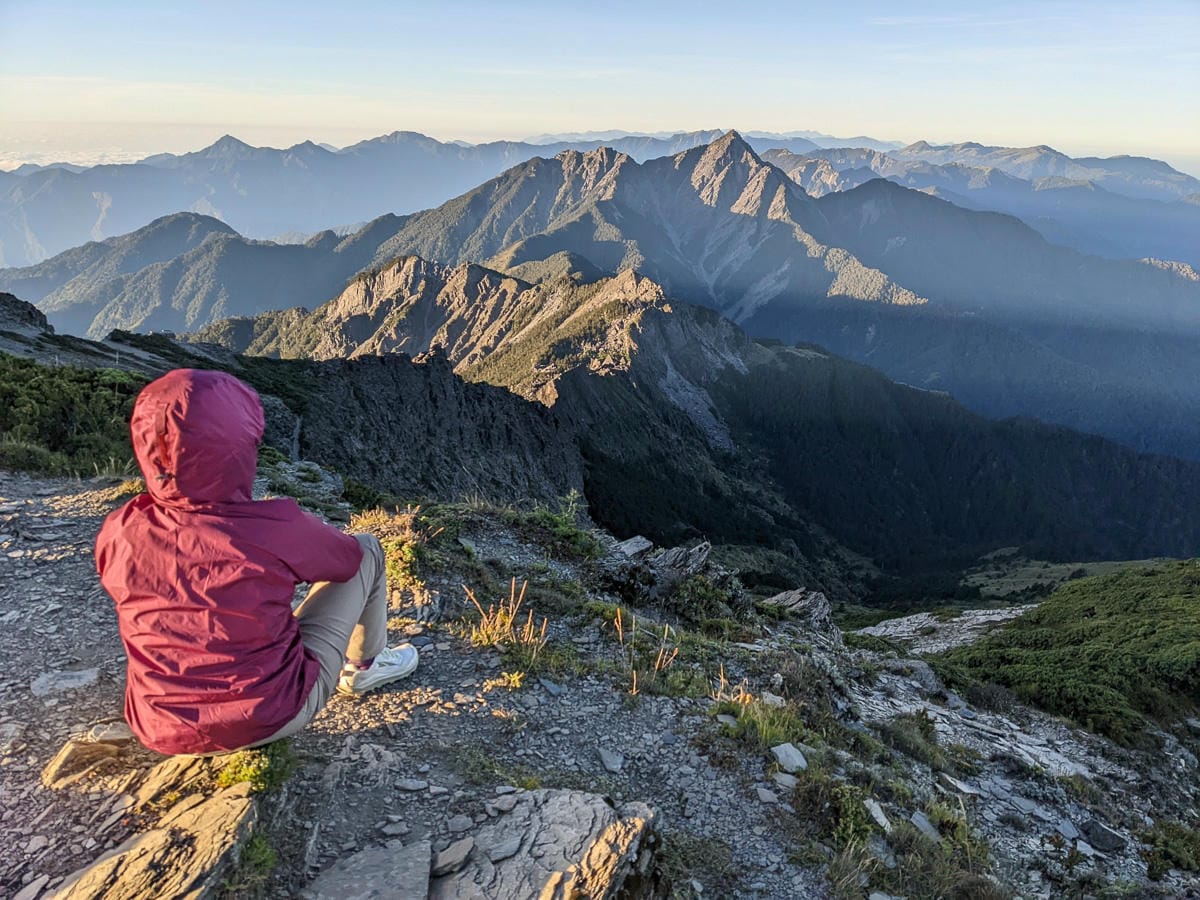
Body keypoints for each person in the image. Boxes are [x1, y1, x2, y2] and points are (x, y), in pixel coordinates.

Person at [95, 368, 418, 756]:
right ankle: (364, 668)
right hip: (269, 714)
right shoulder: (275, 527)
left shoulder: (120, 529)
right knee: (368, 550)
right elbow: (347, 559)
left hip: (158, 726)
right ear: (237, 450)